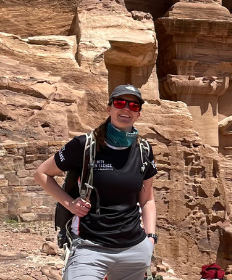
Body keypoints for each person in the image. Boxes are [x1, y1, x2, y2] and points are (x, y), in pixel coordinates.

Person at [34, 85, 158, 280]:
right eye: (120, 103)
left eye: (133, 106)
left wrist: (150, 238)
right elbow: (41, 173)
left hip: (134, 249)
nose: (126, 109)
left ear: (138, 114)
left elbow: (147, 199)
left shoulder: (143, 149)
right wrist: (70, 204)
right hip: (90, 247)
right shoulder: (84, 145)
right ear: (109, 109)